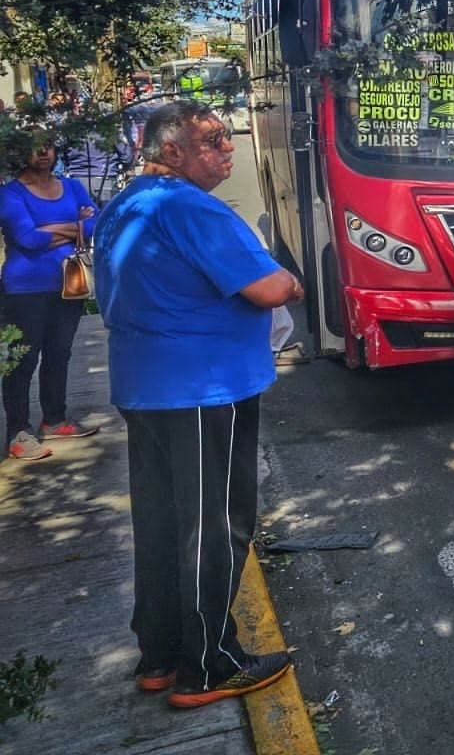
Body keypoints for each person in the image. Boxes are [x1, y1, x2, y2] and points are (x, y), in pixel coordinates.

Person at [94, 100, 302, 707]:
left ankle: (159, 655)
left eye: (226, 139)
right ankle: (209, 663)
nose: (227, 150)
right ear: (171, 151)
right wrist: (290, 281)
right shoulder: (191, 207)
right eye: (211, 141)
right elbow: (267, 288)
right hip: (205, 388)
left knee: (160, 521)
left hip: (146, 386)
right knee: (213, 527)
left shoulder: (125, 205)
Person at [1, 132, 100, 461]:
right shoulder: (11, 194)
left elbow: (96, 223)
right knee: (23, 361)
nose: (43, 152)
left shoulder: (71, 186)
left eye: (49, 146)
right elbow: (27, 239)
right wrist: (75, 227)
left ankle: (55, 419)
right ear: (21, 154)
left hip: (68, 285)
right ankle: (18, 433)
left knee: (59, 353)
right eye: (35, 147)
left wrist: (54, 230)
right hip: (25, 289)